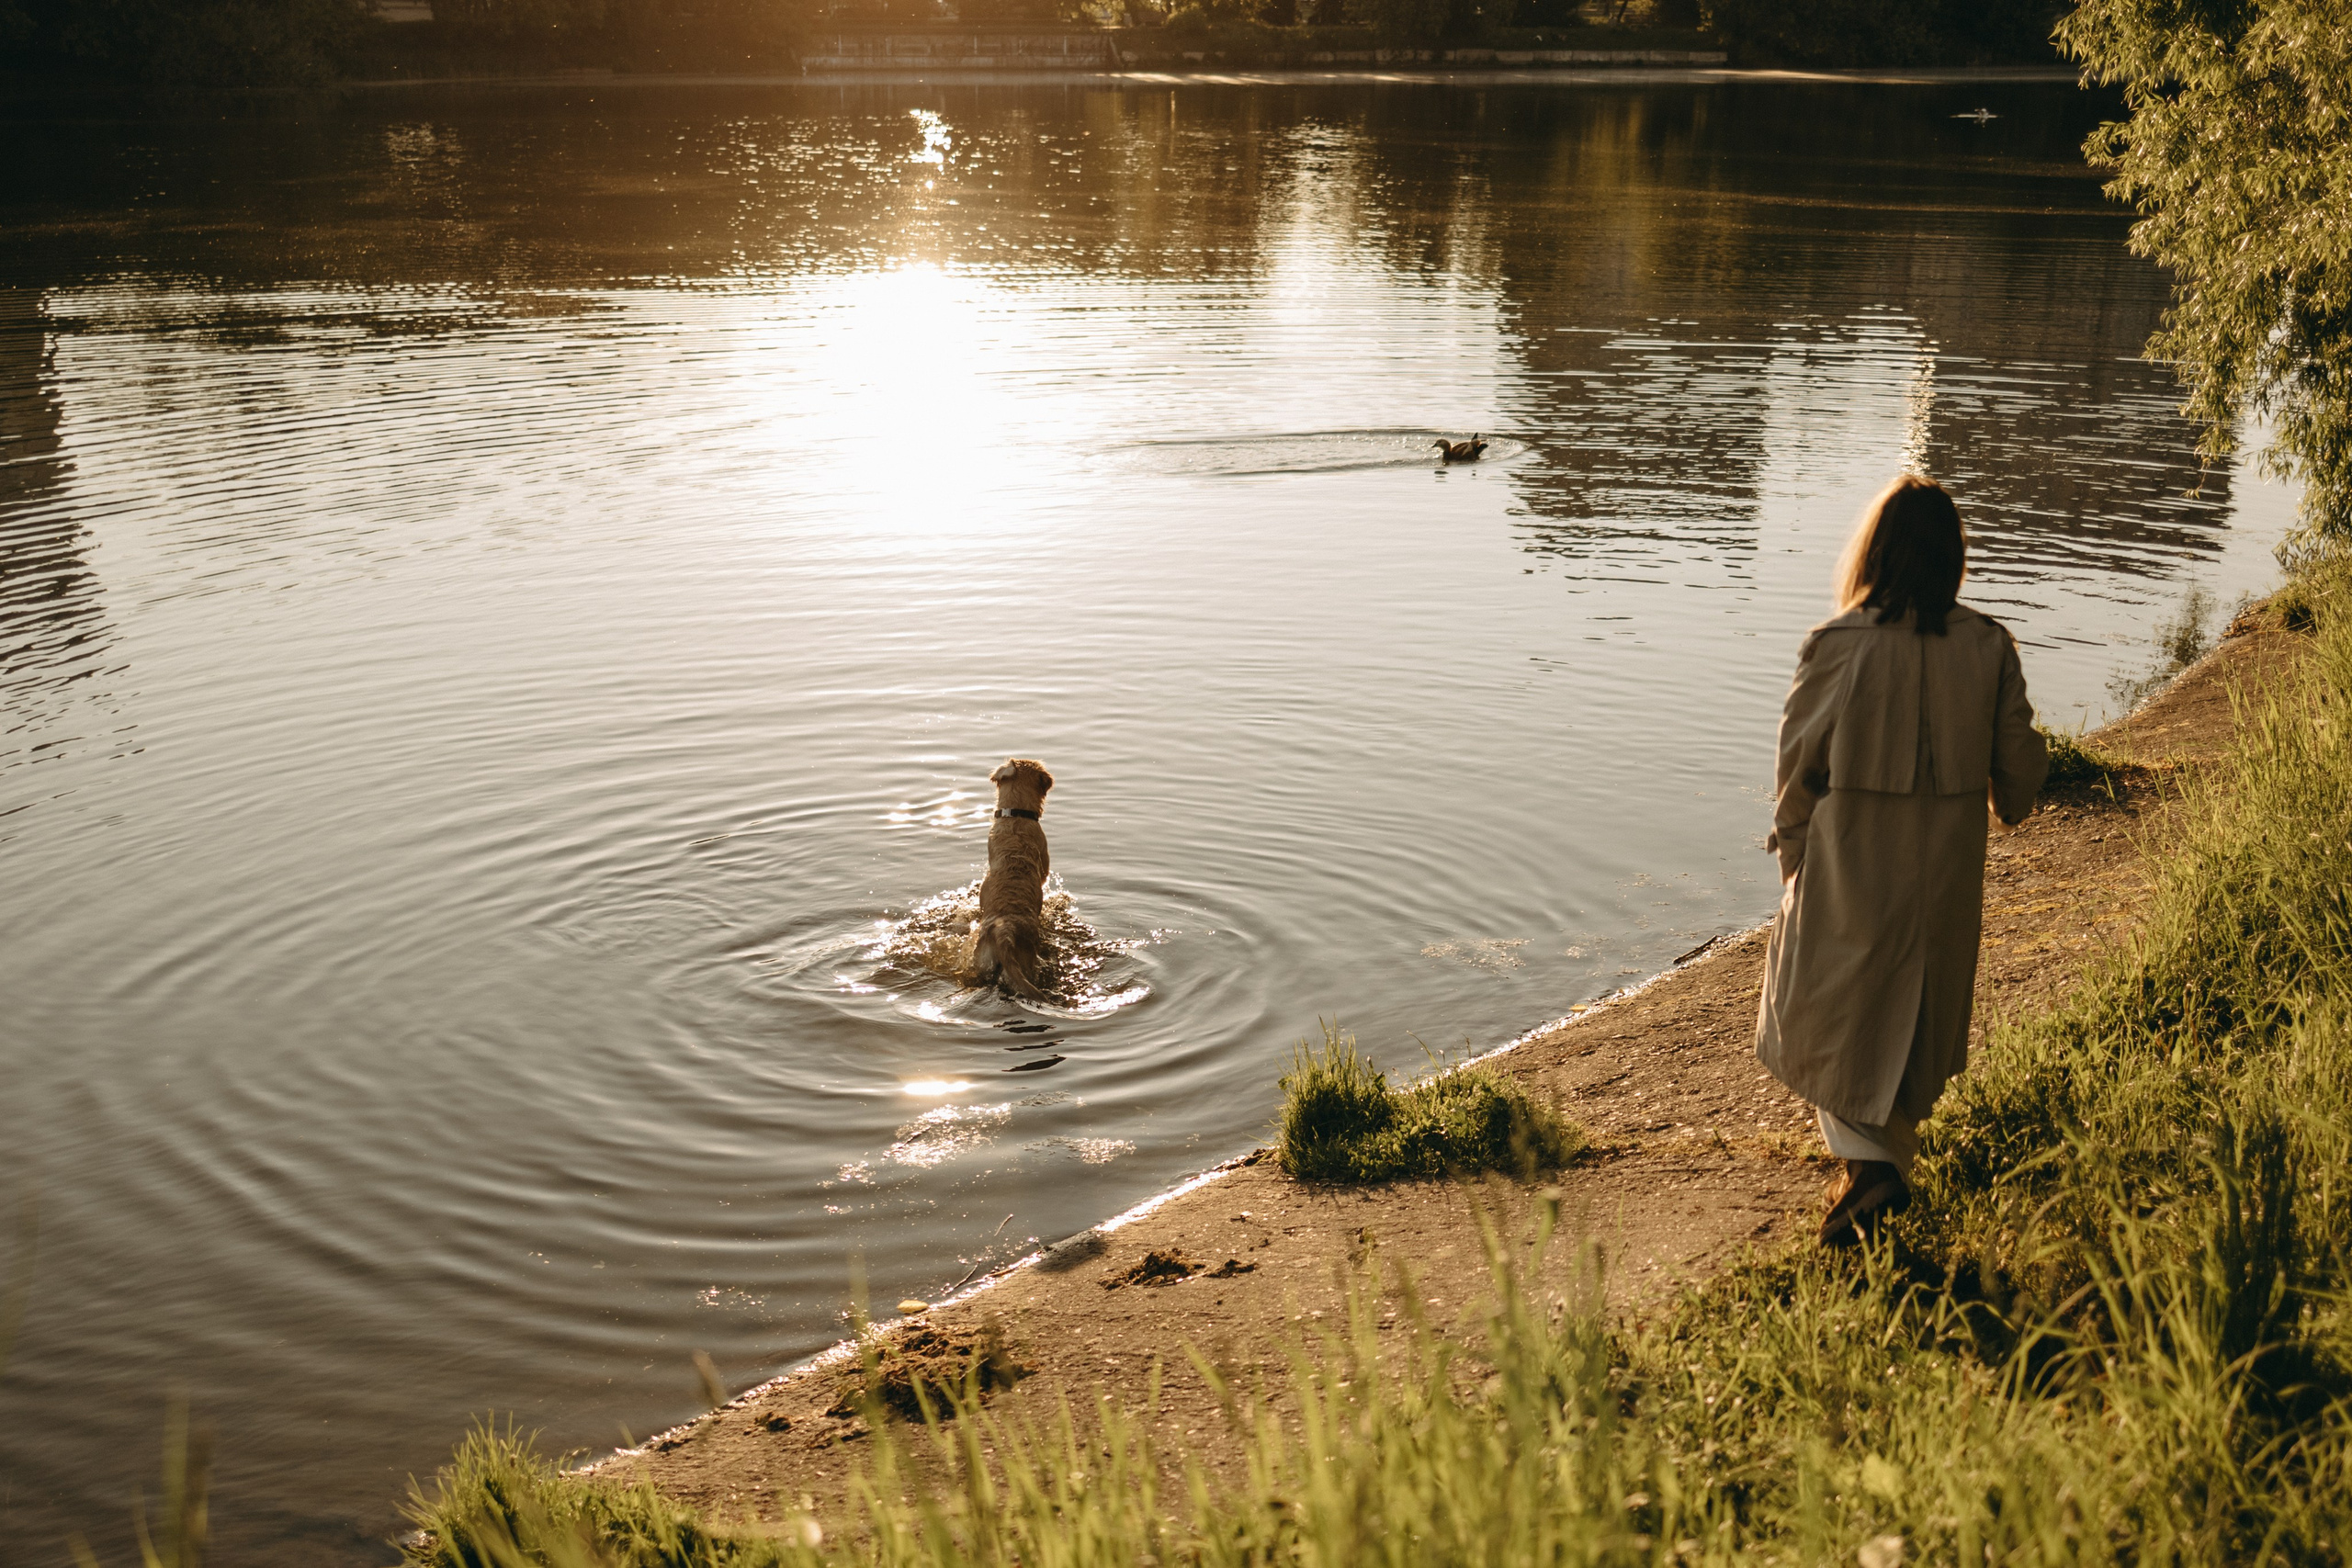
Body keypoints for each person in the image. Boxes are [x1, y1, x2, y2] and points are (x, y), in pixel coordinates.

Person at [1755, 475, 2048, 1247]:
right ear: (1954, 557)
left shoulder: (1838, 646)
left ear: (1875, 553)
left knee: (1818, 1021)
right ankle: (1876, 1179)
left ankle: (1874, 1177)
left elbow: (1795, 783)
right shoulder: (1988, 646)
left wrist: (1795, 872)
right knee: (1912, 1035)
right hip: (1944, 887)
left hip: (1851, 876)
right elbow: (2019, 785)